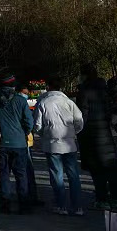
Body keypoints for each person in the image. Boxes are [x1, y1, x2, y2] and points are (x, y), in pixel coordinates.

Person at [33, 77, 84, 216]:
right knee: (73, 175)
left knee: (57, 175)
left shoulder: (43, 102)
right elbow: (79, 120)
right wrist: (73, 132)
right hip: (69, 144)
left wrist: (45, 134)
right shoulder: (68, 102)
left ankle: (61, 205)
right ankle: (78, 206)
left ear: (48, 87)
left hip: (52, 144)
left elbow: (37, 125)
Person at [76, 66, 117, 211]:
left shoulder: (84, 92)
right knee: (112, 167)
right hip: (108, 133)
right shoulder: (106, 90)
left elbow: (82, 116)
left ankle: (102, 198)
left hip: (91, 135)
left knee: (97, 169)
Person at [0, 75, 33, 214]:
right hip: (19, 143)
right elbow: (29, 121)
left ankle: (5, 203)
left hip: (2, 142)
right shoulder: (20, 101)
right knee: (21, 174)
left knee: (4, 174)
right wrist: (24, 132)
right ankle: (24, 204)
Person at [18, 85, 43, 208]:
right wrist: (28, 131)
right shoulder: (22, 103)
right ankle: (30, 197)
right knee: (27, 170)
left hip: (15, 141)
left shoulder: (8, 102)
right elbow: (29, 122)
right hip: (24, 140)